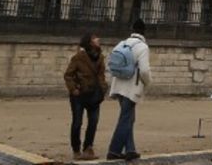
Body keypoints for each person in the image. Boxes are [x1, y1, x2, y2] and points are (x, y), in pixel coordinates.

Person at [107, 19, 152, 162]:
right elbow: (144, 70)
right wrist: (149, 82)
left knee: (128, 118)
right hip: (132, 87)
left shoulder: (122, 43)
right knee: (126, 119)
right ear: (144, 32)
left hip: (118, 85)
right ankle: (114, 150)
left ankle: (130, 149)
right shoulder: (143, 47)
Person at [64, 33, 109, 161]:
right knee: (77, 122)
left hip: (95, 94)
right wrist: (73, 89)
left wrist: (103, 88)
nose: (98, 39)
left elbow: (101, 75)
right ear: (90, 42)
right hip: (79, 95)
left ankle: (88, 147)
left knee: (93, 122)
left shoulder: (100, 57)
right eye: (95, 38)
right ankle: (76, 149)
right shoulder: (79, 57)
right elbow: (68, 75)